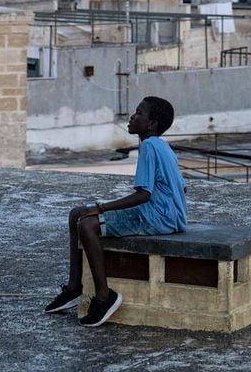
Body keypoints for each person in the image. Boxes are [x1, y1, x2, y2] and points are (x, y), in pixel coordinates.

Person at [45, 96, 187, 327]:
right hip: (168, 214)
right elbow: (182, 186)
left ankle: (104, 296)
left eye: (139, 113)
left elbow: (144, 194)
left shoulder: (150, 146)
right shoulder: (163, 146)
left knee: (87, 224)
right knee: (76, 214)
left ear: (151, 123)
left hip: (158, 218)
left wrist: (101, 208)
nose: (132, 117)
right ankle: (74, 287)